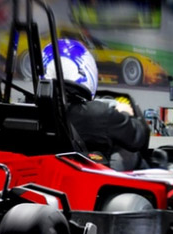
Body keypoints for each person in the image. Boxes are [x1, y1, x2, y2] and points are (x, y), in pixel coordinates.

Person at [41, 39, 150, 171]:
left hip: (43, 175)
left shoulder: (31, 112)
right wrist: (125, 113)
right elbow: (137, 139)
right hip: (88, 179)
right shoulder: (101, 113)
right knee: (131, 154)